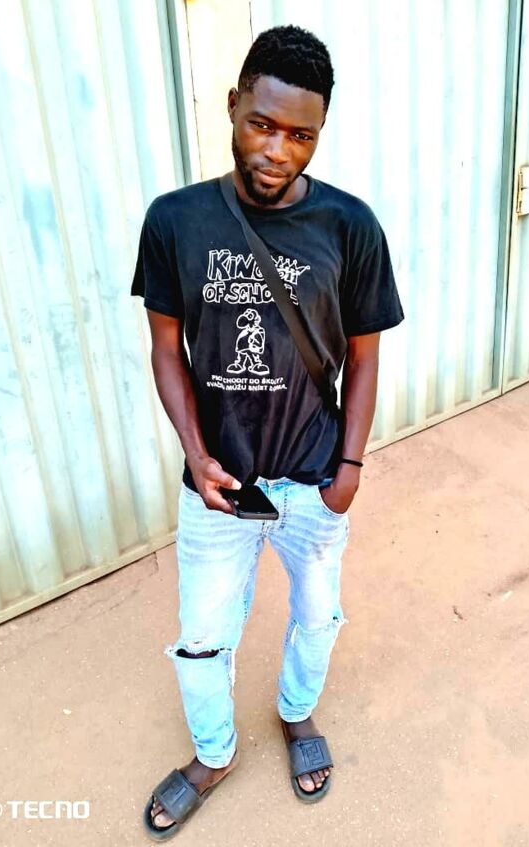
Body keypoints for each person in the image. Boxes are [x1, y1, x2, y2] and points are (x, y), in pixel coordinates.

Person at [131, 23, 404, 840]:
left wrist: (350, 465)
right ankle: (214, 754)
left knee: (318, 617)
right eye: (262, 124)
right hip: (219, 487)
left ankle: (295, 712)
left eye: (300, 136)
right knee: (202, 637)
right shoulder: (175, 220)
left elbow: (365, 356)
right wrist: (196, 455)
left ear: (319, 134)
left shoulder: (351, 226)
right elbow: (166, 348)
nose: (277, 151)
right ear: (233, 106)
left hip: (314, 479)